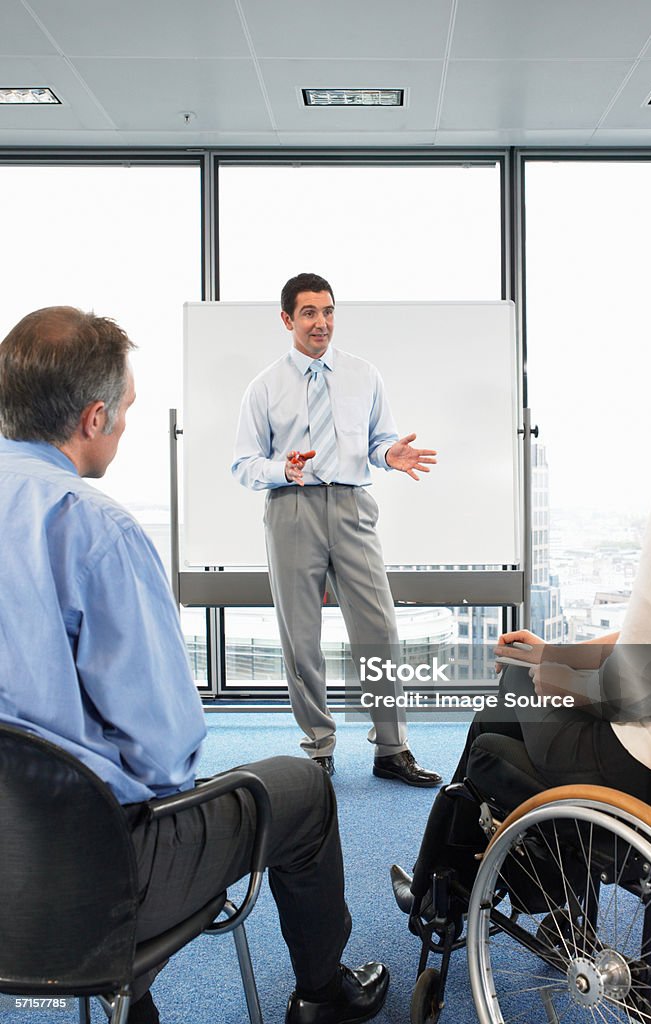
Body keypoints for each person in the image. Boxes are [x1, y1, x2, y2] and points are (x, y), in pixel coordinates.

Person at [0, 306, 389, 1024]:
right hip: (94, 873)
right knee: (301, 789)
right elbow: (166, 755)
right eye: (125, 412)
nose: (124, 425)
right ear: (93, 419)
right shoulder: (96, 530)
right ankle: (322, 996)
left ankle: (129, 1001)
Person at [397, 330, 651, 906]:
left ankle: (451, 888)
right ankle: (497, 878)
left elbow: (635, 691)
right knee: (526, 676)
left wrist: (556, 681)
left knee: (509, 697)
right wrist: (557, 653)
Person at [232, 272, 442, 787]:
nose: (321, 322)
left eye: (327, 311)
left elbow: (379, 442)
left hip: (351, 507)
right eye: (308, 313)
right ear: (287, 320)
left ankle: (392, 750)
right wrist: (285, 469)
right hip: (291, 509)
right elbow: (242, 464)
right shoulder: (264, 387)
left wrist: (390, 454)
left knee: (380, 630)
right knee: (300, 637)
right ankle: (319, 747)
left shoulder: (363, 375)